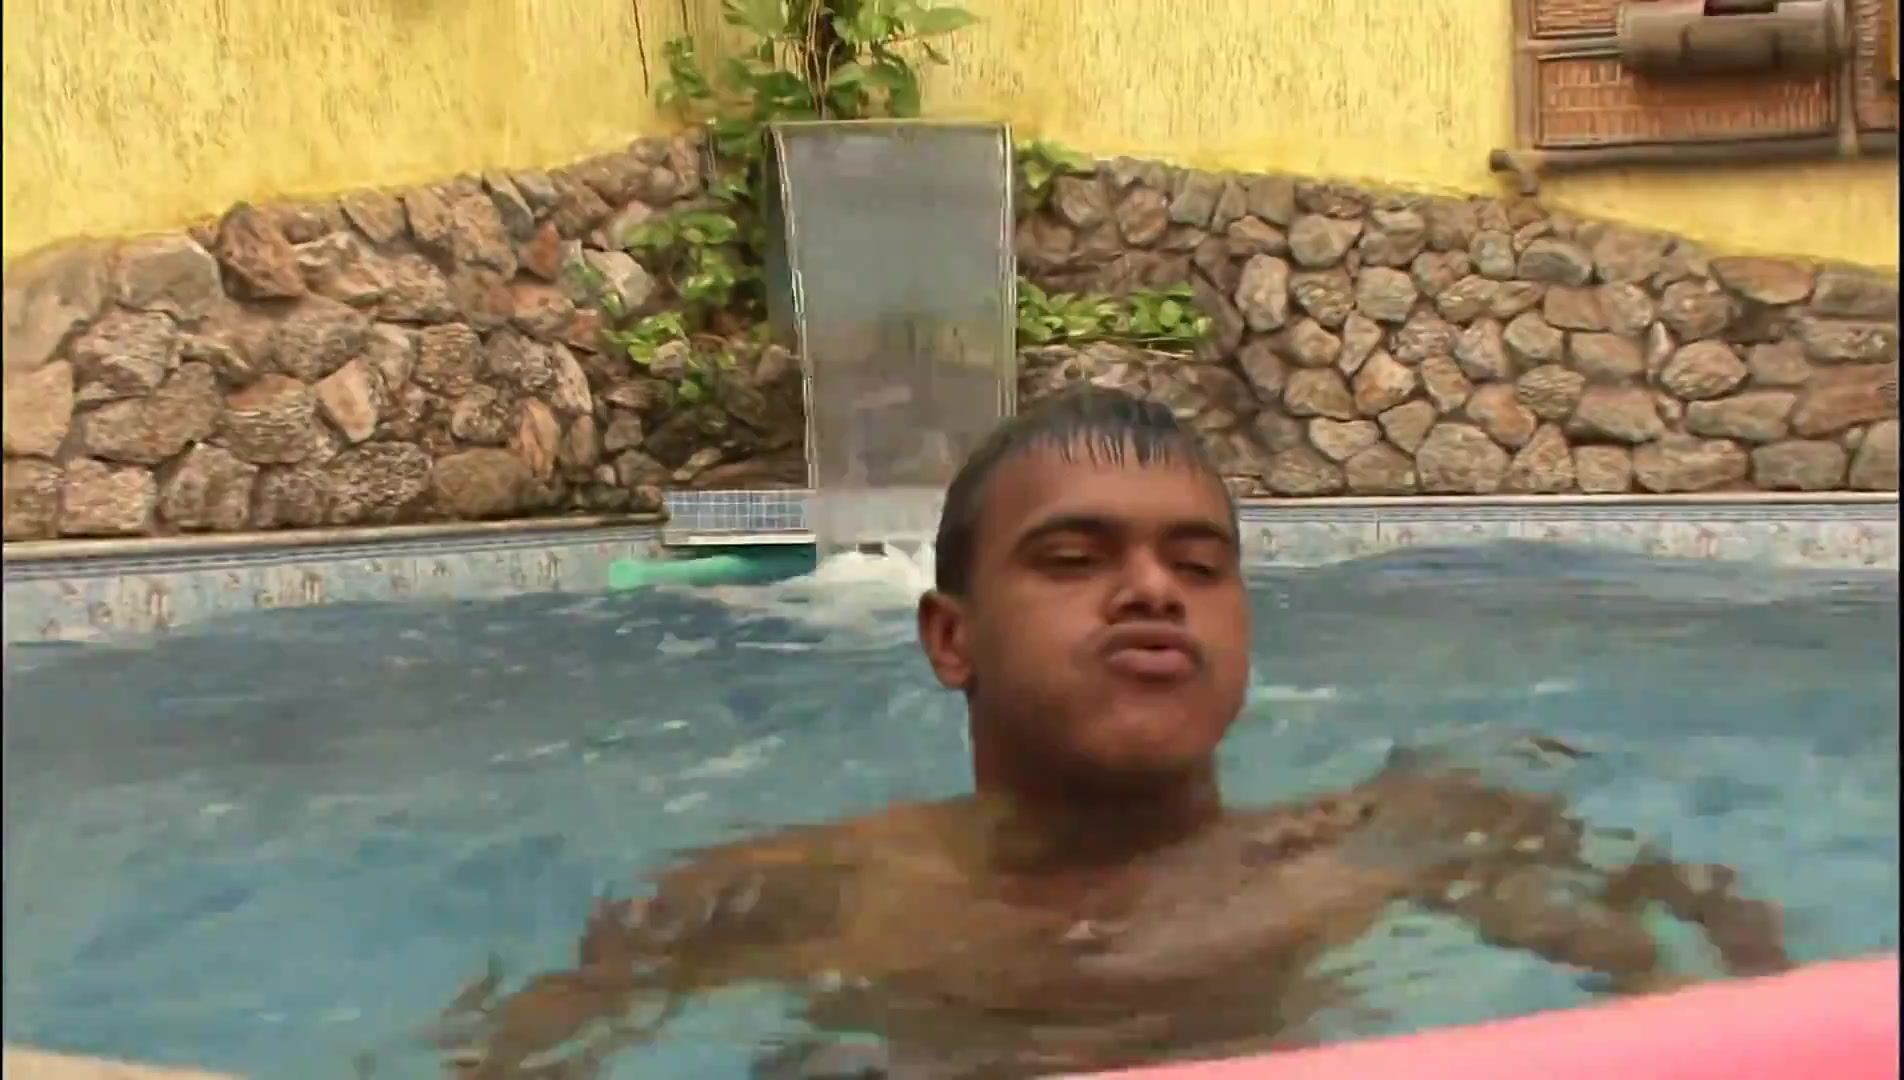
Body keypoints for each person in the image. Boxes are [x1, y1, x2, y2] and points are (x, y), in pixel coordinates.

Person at [431, 385, 1788, 1078]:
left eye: (1199, 565)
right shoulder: (783, 899)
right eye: (1075, 558)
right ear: (950, 639)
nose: (1153, 591)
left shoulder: (1397, 844)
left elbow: (1731, 1006)